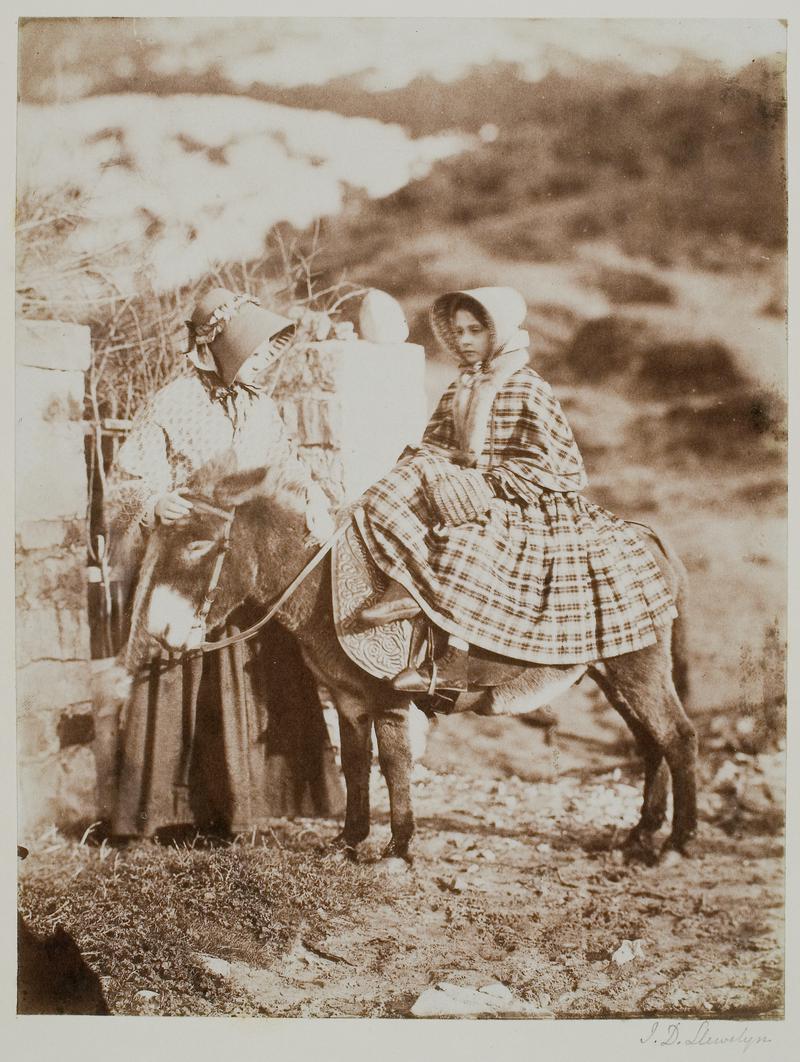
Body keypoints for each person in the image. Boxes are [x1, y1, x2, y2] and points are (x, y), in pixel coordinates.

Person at [106, 288, 343, 837]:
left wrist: (312, 499)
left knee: (251, 670)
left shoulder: (261, 407)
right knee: (174, 669)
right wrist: (154, 502)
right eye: (253, 351)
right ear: (221, 345)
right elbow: (128, 479)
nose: (263, 362)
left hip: (252, 563)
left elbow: (288, 467)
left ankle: (242, 810)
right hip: (189, 558)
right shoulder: (171, 403)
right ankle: (158, 814)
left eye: (266, 353)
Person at [355, 286, 677, 691]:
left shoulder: (527, 387)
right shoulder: (463, 385)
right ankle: (400, 588)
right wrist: (432, 463)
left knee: (472, 540)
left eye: (475, 331)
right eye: (459, 332)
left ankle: (455, 659)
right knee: (395, 486)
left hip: (522, 498)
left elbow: (555, 465)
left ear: (498, 332)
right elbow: (437, 439)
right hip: (463, 486)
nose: (465, 340)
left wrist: (490, 480)